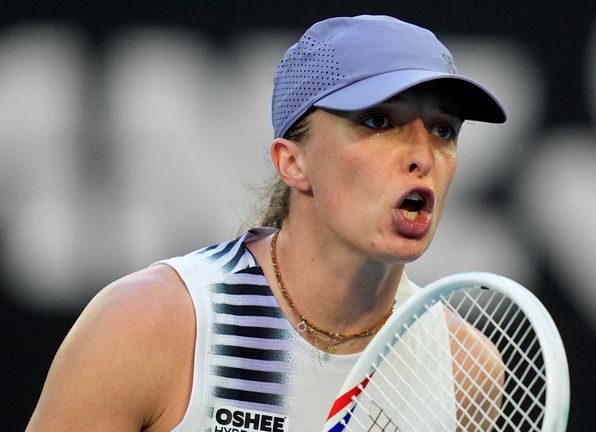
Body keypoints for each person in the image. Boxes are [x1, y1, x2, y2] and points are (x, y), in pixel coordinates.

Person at [27, 14, 506, 431]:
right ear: (292, 162)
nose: (424, 156)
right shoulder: (153, 323)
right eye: (378, 122)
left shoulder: (464, 368)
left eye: (443, 129)